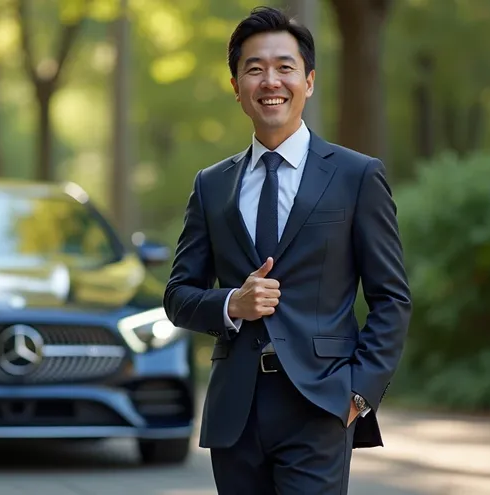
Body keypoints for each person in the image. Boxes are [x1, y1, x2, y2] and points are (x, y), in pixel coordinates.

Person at [163, 6, 411, 494]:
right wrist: (231, 303)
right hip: (235, 412)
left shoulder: (356, 176)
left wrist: (357, 395)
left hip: (320, 404)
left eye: (284, 67)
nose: (269, 80)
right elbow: (178, 295)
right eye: (254, 69)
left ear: (309, 81)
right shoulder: (212, 186)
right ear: (236, 86)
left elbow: (392, 298)